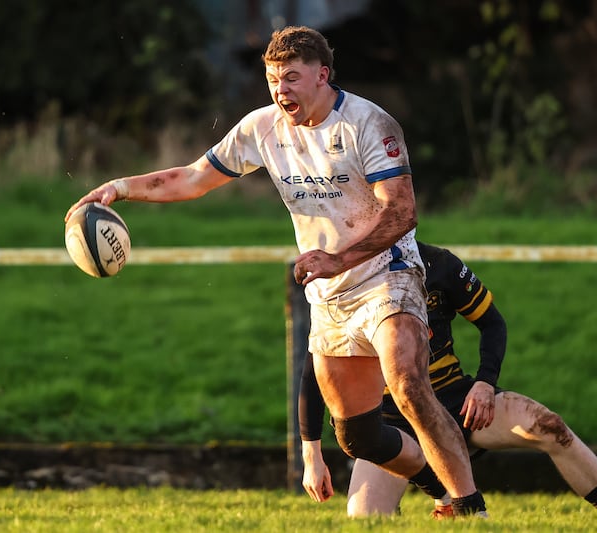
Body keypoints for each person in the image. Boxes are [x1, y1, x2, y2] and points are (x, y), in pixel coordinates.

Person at [65, 26, 487, 516]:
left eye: (291, 78)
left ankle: (471, 509)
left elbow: (402, 212)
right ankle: (441, 488)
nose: (280, 90)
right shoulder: (262, 128)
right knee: (356, 436)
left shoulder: (369, 124)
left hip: (386, 275)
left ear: (322, 75)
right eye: (272, 80)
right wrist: (118, 188)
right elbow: (192, 178)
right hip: (330, 293)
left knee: (410, 386)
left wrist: (338, 258)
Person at [299, 241, 597, 525]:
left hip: (456, 401)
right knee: (365, 518)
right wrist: (311, 451)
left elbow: (493, 323)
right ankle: (445, 495)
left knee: (548, 426)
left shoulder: (437, 264)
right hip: (393, 422)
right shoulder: (341, 283)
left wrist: (484, 383)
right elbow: (318, 368)